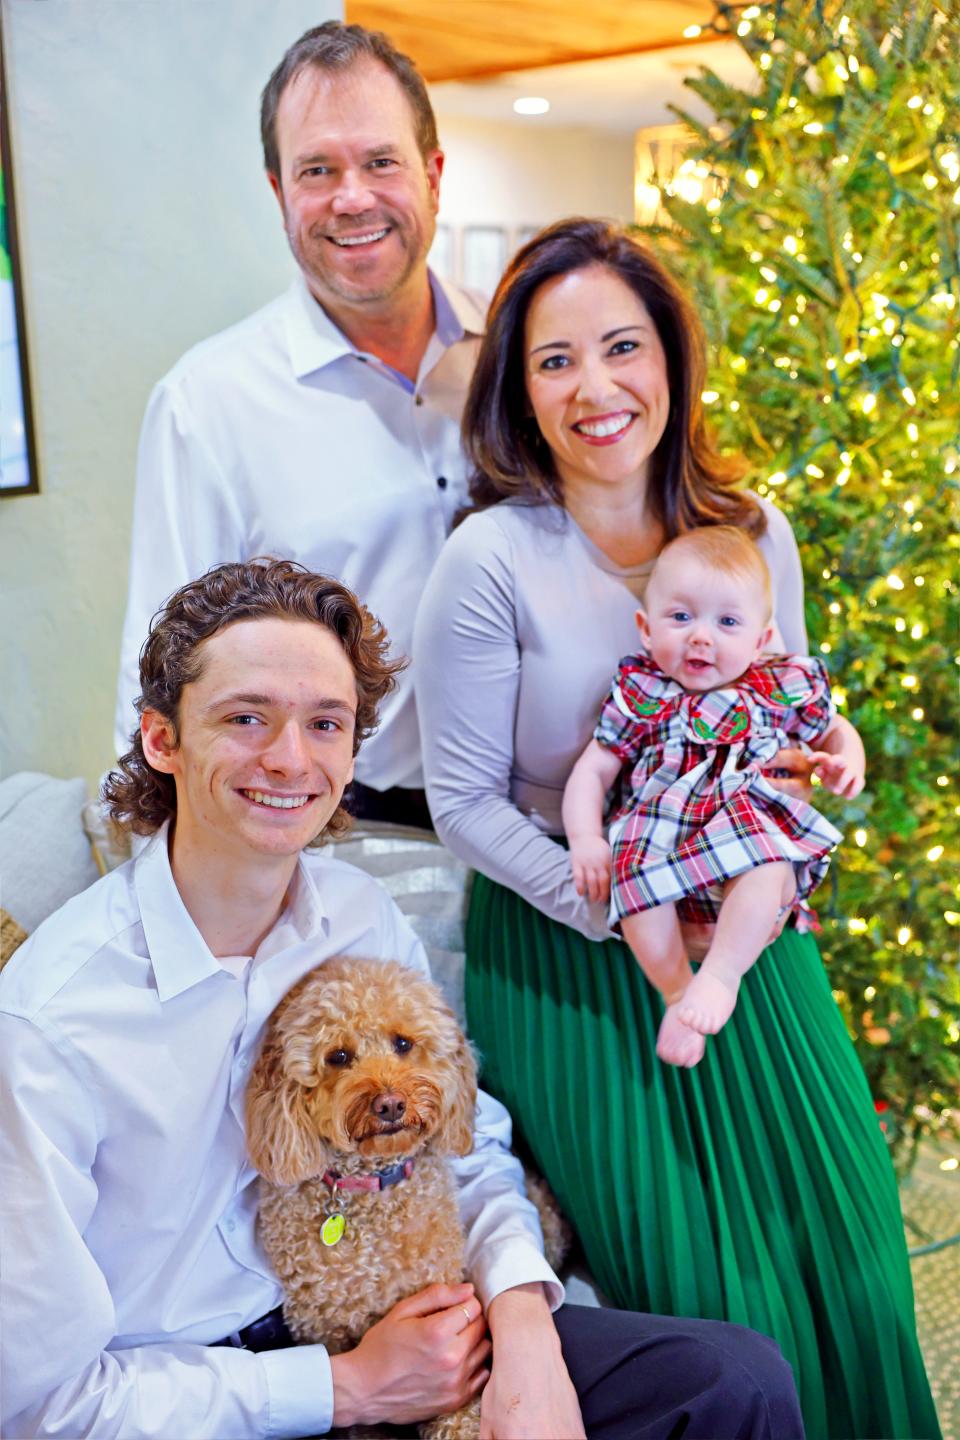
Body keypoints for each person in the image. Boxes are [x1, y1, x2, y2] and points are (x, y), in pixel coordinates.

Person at [0, 558, 804, 1440]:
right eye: (245, 718)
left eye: (324, 723)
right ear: (162, 739)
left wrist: (523, 1326)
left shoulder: (357, 915)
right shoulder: (49, 1023)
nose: (289, 758)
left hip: (401, 1306)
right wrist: (347, 1389)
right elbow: (43, 1403)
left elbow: (464, 1142)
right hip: (195, 1393)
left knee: (735, 1383)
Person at [413, 219, 940, 1440]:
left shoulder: (753, 527)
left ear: (671, 359)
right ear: (519, 389)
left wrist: (818, 769)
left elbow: (786, 706)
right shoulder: (489, 561)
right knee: (701, 1274)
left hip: (749, 936)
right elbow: (467, 805)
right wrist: (608, 898)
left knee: (848, 1232)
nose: (595, 388)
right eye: (554, 361)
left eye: (622, 347)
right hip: (572, 948)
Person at [115, 21, 485, 827]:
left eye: (380, 161)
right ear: (281, 192)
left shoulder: (523, 359)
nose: (352, 196)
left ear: (432, 175)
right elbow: (158, 682)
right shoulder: (207, 404)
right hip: (336, 834)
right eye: (318, 169)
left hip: (552, 828)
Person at [563, 525, 865, 1067]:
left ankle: (722, 977)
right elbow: (594, 770)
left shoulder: (779, 684)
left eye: (727, 622)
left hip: (747, 816)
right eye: (681, 617)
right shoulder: (644, 691)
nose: (701, 636)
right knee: (636, 889)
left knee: (769, 866)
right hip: (660, 828)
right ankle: (677, 991)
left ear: (761, 638)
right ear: (646, 628)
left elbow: (834, 729)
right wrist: (585, 838)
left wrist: (849, 760)